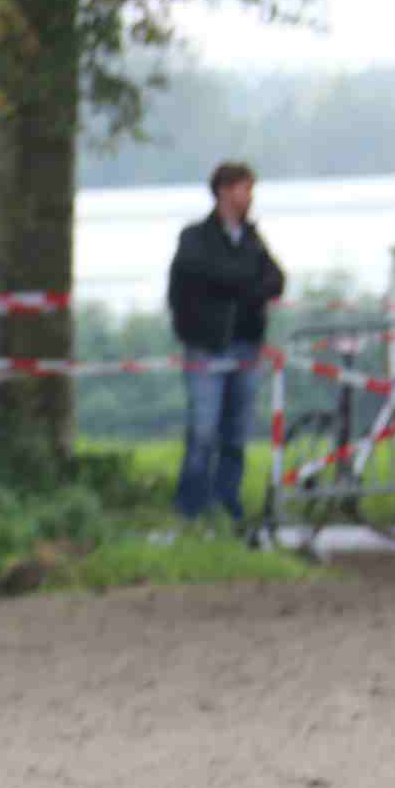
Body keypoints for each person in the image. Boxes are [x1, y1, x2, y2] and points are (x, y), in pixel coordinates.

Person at [165, 161, 285, 528]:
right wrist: (246, 284)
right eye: (243, 189)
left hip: (247, 346)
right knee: (203, 431)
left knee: (236, 433)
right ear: (223, 191)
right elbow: (203, 276)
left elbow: (276, 280)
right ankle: (190, 507)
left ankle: (227, 503)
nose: (248, 197)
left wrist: (241, 286)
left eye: (250, 190)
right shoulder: (194, 238)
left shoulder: (252, 239)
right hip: (207, 346)